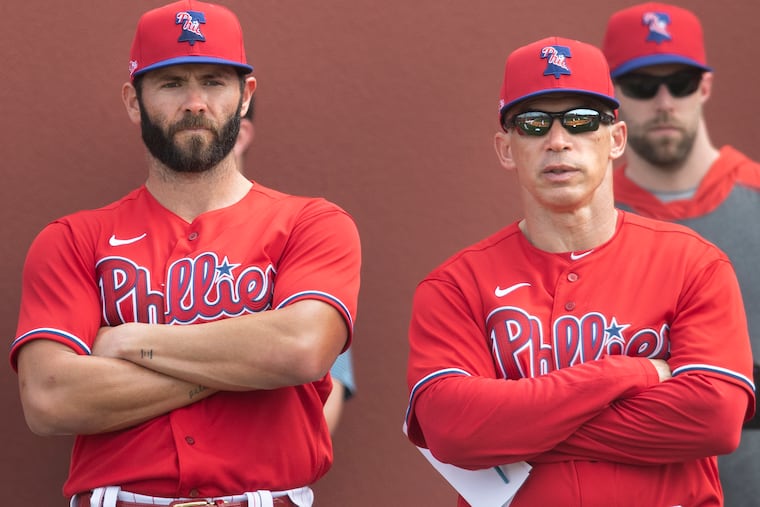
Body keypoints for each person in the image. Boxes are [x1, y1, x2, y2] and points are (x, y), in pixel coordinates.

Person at [10, 1, 361, 506]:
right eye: (172, 83)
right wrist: (247, 364)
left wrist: (130, 341)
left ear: (245, 97)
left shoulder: (314, 224)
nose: (195, 102)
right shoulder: (73, 239)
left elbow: (301, 350)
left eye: (214, 82)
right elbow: (49, 399)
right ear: (134, 101)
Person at [404, 36, 755, 506]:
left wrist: (516, 425)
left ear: (616, 139)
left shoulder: (695, 263)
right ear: (505, 148)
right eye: (532, 124)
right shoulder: (455, 286)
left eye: (581, 120)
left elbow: (715, 417)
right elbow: (451, 431)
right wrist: (623, 375)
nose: (558, 140)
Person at [601, 4, 760, 505]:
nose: (664, 102)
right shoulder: (585, 218)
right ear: (612, 97)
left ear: (705, 87)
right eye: (642, 86)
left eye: (682, 83)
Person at [232, 99, 357, 435]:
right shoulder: (125, 245)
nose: (194, 106)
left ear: (240, 135)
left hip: (262, 484)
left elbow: (314, 425)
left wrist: (135, 345)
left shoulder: (302, 237)